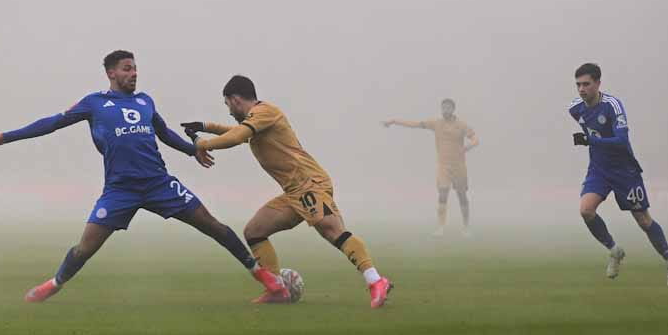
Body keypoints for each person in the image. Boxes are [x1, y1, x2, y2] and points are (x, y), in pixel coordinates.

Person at [0, 50, 285, 304]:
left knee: (215, 227)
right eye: (127, 69)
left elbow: (164, 134)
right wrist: (7, 136)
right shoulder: (94, 103)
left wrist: (194, 151)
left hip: (159, 184)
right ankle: (54, 284)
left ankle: (264, 277)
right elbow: (52, 123)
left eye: (136, 69)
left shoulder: (145, 101)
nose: (134, 73)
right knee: (85, 247)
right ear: (111, 73)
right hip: (120, 190)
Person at [185, 75, 394, 308]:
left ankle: (376, 281)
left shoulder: (265, 112)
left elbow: (237, 135)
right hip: (293, 191)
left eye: (227, 105)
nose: (229, 112)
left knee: (332, 231)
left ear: (234, 100)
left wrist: (201, 144)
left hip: (309, 183)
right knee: (255, 231)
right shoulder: (257, 120)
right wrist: (204, 127)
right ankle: (276, 289)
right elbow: (236, 131)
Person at [568, 63, 668, 285]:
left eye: (586, 84)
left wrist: (592, 140)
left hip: (624, 170)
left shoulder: (612, 106)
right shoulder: (575, 108)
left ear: (598, 83)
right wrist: (592, 142)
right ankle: (614, 250)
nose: (581, 89)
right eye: (578, 84)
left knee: (643, 220)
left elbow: (621, 141)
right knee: (586, 210)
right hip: (598, 169)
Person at [382, 99, 478, 237]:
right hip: (443, 165)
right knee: (443, 193)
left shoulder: (461, 125)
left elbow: (475, 139)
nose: (445, 110)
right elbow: (415, 124)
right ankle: (440, 228)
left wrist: (469, 146)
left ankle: (466, 228)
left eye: (448, 107)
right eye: (443, 107)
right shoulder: (436, 123)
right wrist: (394, 121)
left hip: (459, 166)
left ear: (453, 109)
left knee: (461, 195)